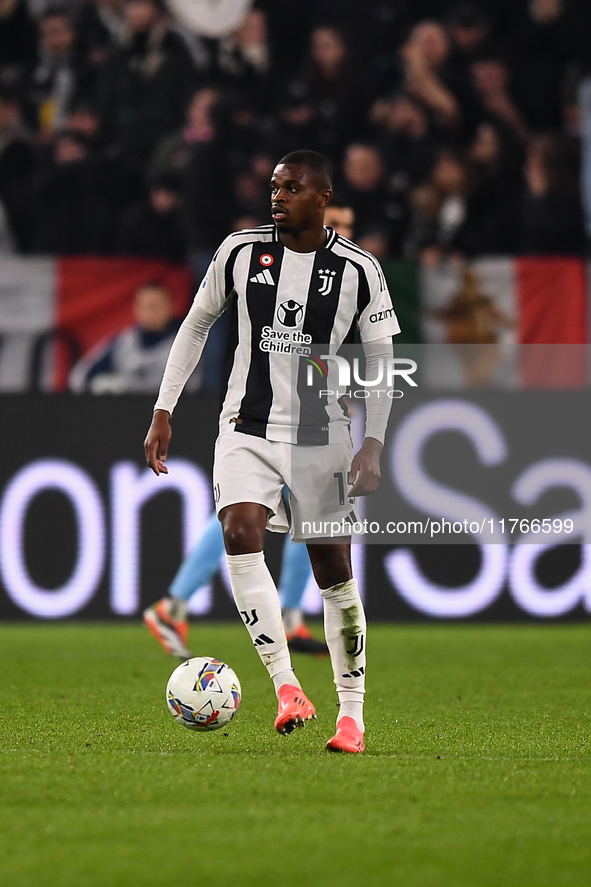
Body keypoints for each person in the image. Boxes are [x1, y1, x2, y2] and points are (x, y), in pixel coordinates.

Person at [143, 150, 400, 753]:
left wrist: (373, 444)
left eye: (290, 188)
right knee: (239, 530)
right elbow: (196, 324)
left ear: (322, 196)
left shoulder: (360, 270)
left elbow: (383, 361)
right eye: (273, 187)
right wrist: (164, 407)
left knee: (334, 573)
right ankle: (287, 688)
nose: (276, 196)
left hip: (321, 433)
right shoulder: (237, 253)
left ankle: (352, 716)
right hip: (245, 424)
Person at [143, 200, 358, 660]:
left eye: (348, 227)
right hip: (261, 406)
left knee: (303, 509)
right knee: (253, 511)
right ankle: (178, 603)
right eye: (336, 223)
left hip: (317, 407)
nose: (340, 234)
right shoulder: (267, 262)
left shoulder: (351, 274)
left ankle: (282, 614)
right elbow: (214, 323)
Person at [70, 281, 200, 393]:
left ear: (169, 307)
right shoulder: (123, 342)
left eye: (155, 306)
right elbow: (80, 377)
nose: (149, 313)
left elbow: (193, 387)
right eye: (144, 307)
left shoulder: (185, 344)